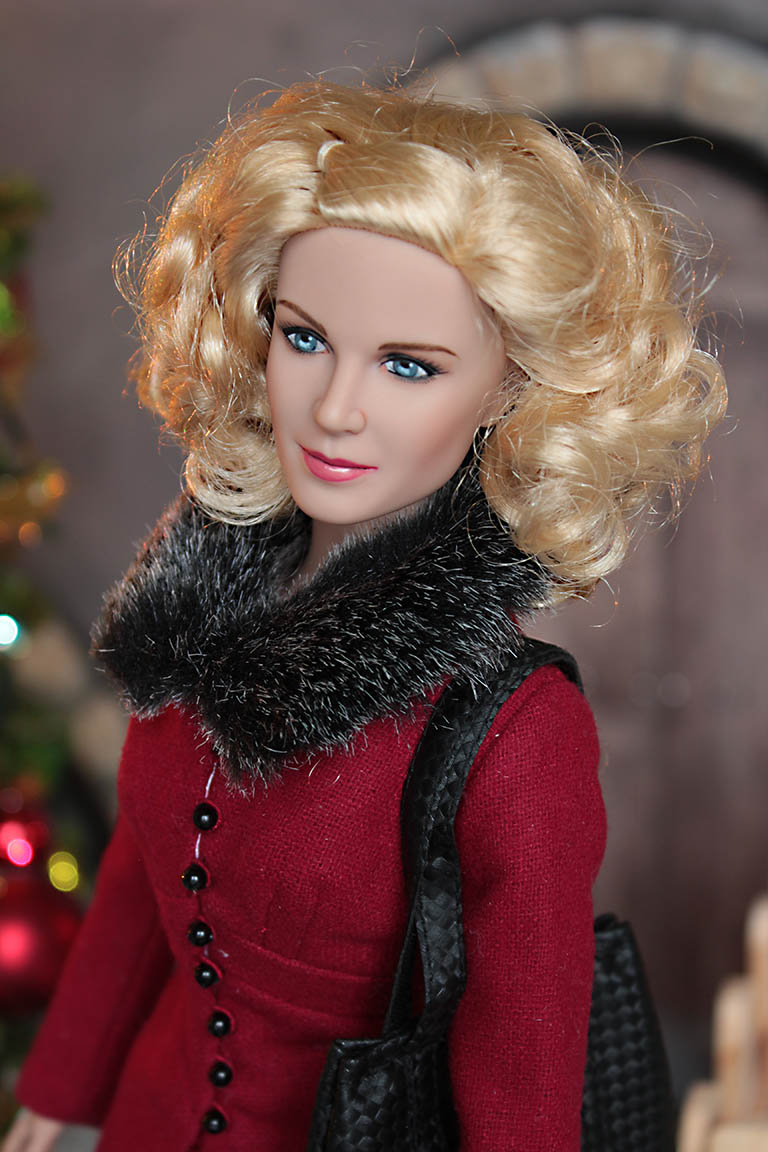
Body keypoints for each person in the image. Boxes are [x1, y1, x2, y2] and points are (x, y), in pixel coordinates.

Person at [4, 79, 725, 1151]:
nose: (337, 408)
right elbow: (141, 888)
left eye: (407, 365)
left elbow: (521, 1070)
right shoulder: (198, 609)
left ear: (512, 390)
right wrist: (62, 1087)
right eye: (304, 340)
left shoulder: (510, 729)